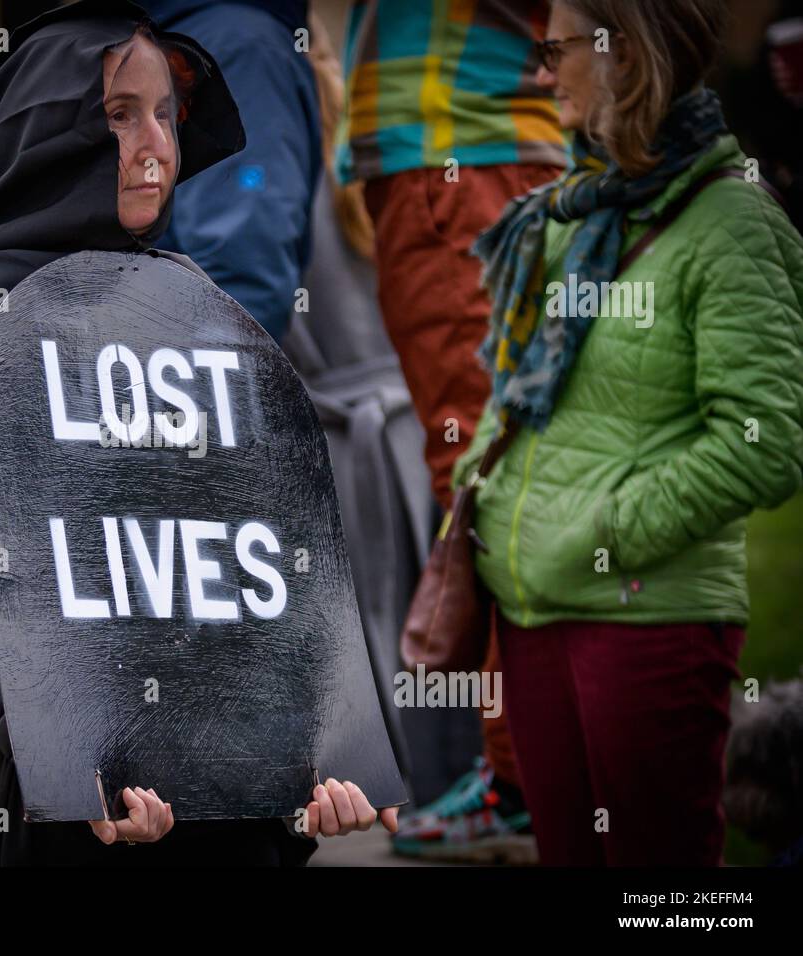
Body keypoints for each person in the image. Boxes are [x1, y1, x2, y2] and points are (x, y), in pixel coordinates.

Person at [0, 0, 398, 865]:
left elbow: (257, 563)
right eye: (121, 115)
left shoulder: (199, 315)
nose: (156, 142)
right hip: (16, 784)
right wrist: (72, 760)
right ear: (51, 132)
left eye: (167, 114)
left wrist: (309, 757)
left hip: (199, 791)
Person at [455, 0, 803, 866]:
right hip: (533, 612)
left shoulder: (731, 225)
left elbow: (764, 440)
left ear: (626, 57)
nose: (542, 72)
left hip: (646, 620)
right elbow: (522, 395)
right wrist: (486, 502)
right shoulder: (571, 216)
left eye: (557, 49)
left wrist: (605, 530)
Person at [338, 0, 568, 863]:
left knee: (485, 475)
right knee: (496, 468)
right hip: (473, 151)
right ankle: (525, 776)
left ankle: (521, 784)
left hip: (461, 154)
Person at [139, 0, 321, 342]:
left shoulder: (239, 46)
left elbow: (245, 270)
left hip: (187, 372)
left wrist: (219, 385)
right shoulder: (166, 37)